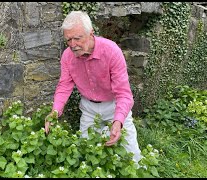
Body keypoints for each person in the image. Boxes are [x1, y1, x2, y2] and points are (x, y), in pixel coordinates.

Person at [44, 11, 142, 163]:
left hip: (114, 105)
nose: (73, 45)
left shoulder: (111, 51)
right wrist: (55, 112)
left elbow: (124, 93)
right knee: (86, 152)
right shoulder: (67, 56)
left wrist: (118, 121)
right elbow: (64, 86)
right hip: (89, 109)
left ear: (91, 33)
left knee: (132, 155)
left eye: (77, 38)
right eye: (68, 40)